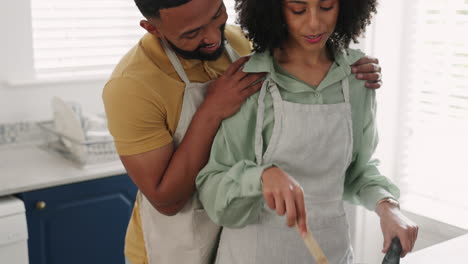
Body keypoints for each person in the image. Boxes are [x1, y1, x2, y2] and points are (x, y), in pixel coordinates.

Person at [102, 0, 385, 263]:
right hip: (177, 245)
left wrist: (350, 68)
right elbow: (166, 200)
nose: (214, 37)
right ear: (152, 28)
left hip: (239, 227)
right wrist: (211, 110)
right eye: (192, 34)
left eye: (217, 17)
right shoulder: (130, 87)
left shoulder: (240, 42)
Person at [196, 0, 419, 263]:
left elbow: (357, 172)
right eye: (298, 10)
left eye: (326, 7)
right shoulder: (249, 81)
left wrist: (387, 206)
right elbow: (212, 191)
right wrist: (261, 176)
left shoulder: (357, 76)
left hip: (331, 252)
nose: (314, 23)